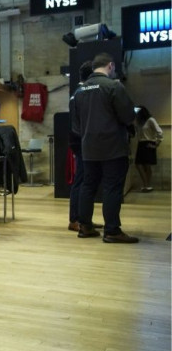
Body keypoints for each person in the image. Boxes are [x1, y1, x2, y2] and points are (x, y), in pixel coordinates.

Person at [72, 53, 138, 243]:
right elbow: (127, 116)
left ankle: (84, 226)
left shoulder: (80, 92)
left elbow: (76, 126)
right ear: (110, 66)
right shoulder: (113, 86)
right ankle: (112, 231)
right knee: (112, 188)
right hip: (113, 147)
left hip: (88, 148)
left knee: (88, 186)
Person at [67, 60, 101, 232]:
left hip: (81, 142)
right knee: (80, 181)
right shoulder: (80, 93)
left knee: (85, 180)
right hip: (81, 143)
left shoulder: (79, 93)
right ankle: (75, 219)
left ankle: (83, 218)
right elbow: (77, 124)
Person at [134, 105, 163, 192]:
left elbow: (159, 132)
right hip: (141, 144)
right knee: (138, 164)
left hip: (148, 143)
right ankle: (146, 185)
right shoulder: (139, 122)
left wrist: (156, 144)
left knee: (147, 165)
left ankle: (147, 185)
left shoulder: (150, 120)